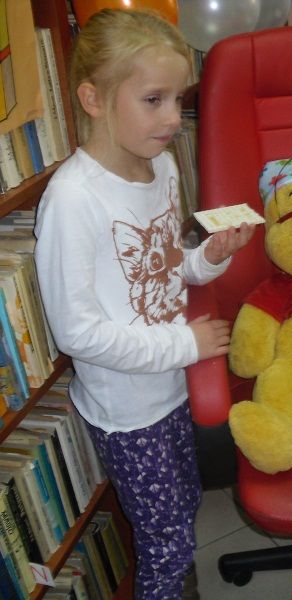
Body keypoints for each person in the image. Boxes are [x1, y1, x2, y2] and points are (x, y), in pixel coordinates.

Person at [33, 9, 255, 599]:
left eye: (177, 99)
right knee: (166, 543)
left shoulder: (160, 166)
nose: (173, 119)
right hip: (129, 411)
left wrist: (208, 258)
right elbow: (77, 332)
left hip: (172, 383)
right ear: (94, 99)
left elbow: (166, 268)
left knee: (183, 507)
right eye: (154, 100)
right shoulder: (73, 200)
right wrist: (185, 343)